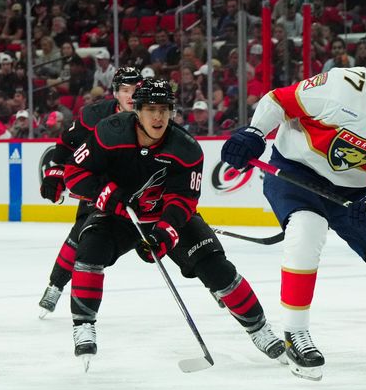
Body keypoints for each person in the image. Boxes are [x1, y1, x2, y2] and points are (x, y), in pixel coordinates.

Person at [220, 47, 366, 381]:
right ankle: (295, 335)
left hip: (354, 193)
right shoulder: (342, 84)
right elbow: (280, 101)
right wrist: (255, 132)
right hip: (297, 172)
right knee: (306, 229)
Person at [61, 78, 285, 368]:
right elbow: (75, 173)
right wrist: (105, 195)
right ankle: (83, 325)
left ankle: (259, 328)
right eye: (151, 109)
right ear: (137, 111)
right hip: (119, 215)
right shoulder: (109, 133)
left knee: (216, 267)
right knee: (89, 250)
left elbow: (183, 201)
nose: (158, 117)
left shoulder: (186, 149)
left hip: (166, 217)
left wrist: (164, 234)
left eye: (164, 109)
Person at [37, 67, 144, 318]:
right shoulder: (94, 114)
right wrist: (56, 170)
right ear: (115, 93)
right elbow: (66, 142)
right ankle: (55, 285)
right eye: (125, 91)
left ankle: (216, 282)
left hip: (140, 186)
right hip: (99, 185)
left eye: (135, 90)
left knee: (175, 231)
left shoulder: (153, 113)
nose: (130, 96)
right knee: (80, 237)